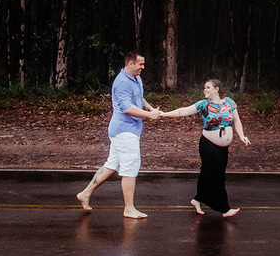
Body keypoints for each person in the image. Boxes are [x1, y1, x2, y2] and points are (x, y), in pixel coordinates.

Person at [76, 51, 162, 218]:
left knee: (111, 166)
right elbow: (127, 108)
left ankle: (85, 194)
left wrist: (150, 109)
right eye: (140, 64)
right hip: (124, 132)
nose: (143, 67)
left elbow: (139, 98)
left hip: (127, 130)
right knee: (130, 168)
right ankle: (129, 208)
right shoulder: (122, 82)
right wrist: (149, 116)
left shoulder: (136, 78)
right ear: (130, 64)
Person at [160, 78, 250, 216]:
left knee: (208, 173)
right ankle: (224, 208)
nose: (205, 90)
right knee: (216, 176)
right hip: (208, 145)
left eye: (208, 87)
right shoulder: (203, 105)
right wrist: (164, 115)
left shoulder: (229, 102)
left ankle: (197, 199)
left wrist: (242, 136)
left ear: (217, 89)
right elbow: (182, 111)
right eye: (204, 88)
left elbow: (237, 120)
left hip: (223, 147)